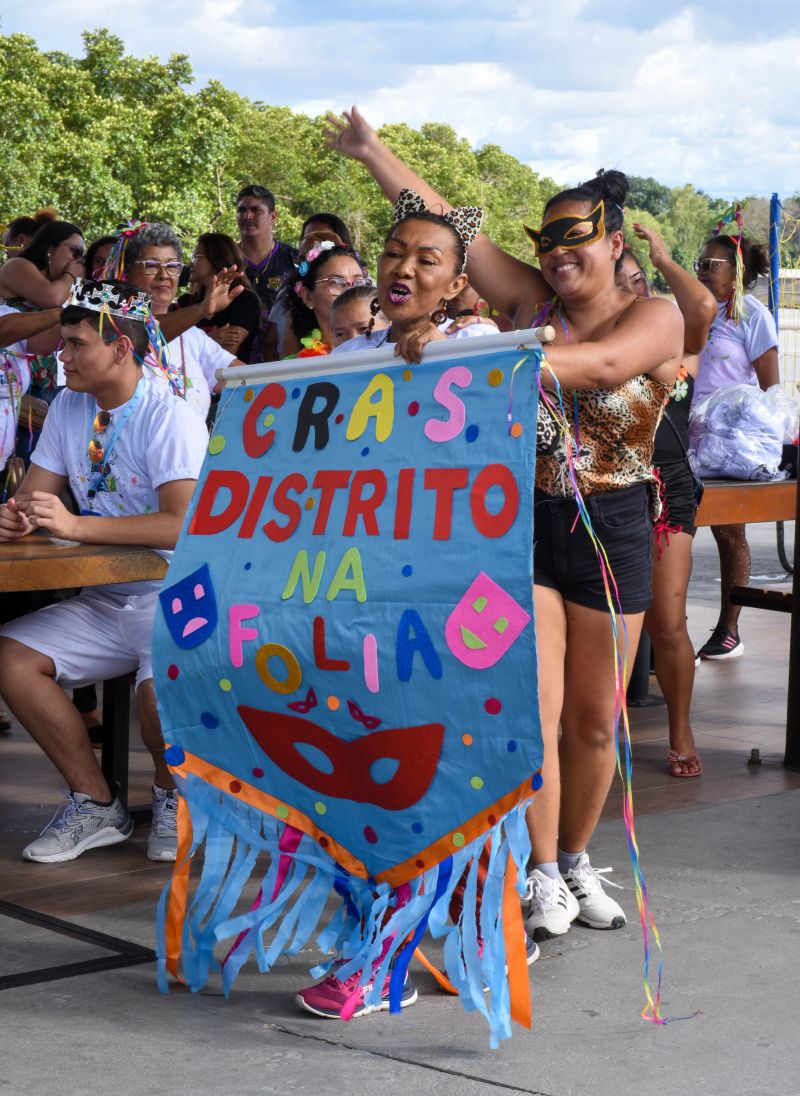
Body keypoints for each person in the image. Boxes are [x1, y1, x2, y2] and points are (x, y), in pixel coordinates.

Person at [324, 107, 683, 942]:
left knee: (595, 720)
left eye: (577, 239)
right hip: (521, 524)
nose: (559, 254)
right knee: (530, 705)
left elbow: (599, 366)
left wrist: (470, 352)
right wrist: (374, 151)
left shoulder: (654, 315)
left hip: (618, 524)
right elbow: (445, 230)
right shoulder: (528, 300)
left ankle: (574, 856)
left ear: (616, 243)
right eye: (548, 241)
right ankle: (539, 871)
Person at [295, 191, 520, 1021]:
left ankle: (380, 963)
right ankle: (415, 937)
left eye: (429, 258)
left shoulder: (483, 345)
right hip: (356, 606)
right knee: (360, 783)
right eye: (395, 251)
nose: (404, 267)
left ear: (460, 282)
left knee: (424, 780)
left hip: (447, 613)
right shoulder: (352, 353)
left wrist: (442, 356)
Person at [0, 278, 208, 863]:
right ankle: (95, 803)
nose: (60, 355)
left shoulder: (171, 417)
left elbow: (181, 523)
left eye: (74, 343)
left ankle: (173, 796)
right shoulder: (69, 404)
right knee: (11, 660)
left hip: (178, 599)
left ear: (119, 348)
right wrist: (17, 519)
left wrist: (73, 527)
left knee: (158, 700)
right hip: (105, 598)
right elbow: (37, 500)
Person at [615, 228, 716, 777]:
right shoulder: (597, 351)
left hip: (665, 490)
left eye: (642, 281)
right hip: (604, 487)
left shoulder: (677, 351)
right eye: (624, 284)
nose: (637, 292)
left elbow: (701, 303)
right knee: (602, 621)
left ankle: (680, 729)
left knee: (668, 622)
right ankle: (596, 733)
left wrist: (662, 258)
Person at [691, 232, 779, 661]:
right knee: (674, 533)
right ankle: (666, 631)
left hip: (728, 447)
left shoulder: (752, 316)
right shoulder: (693, 311)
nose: (703, 272)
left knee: (729, 534)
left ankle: (729, 628)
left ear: (737, 271)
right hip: (685, 444)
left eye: (712, 265)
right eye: (700, 265)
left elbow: (769, 389)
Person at [106, 221, 245, 421]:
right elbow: (142, 331)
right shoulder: (107, 324)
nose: (164, 275)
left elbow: (249, 378)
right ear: (128, 272)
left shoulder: (193, 336)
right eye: (152, 266)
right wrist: (201, 309)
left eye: (172, 266)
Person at [0, 220, 85, 405]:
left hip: (38, 385)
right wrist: (71, 274)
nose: (78, 260)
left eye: (82, 256)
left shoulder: (64, 285)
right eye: (75, 251)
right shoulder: (17, 265)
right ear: (50, 248)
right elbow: (52, 297)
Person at [235, 185, 298, 362]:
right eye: (242, 210)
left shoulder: (293, 260)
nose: (248, 216)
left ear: (273, 217)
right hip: (235, 359)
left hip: (281, 358)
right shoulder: (225, 260)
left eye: (256, 210)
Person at [280, 242, 371, 357]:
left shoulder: (387, 348)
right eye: (336, 282)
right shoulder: (295, 370)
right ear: (308, 297)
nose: (350, 291)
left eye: (358, 283)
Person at [180, 232, 260, 361]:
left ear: (216, 260)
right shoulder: (186, 302)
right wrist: (210, 338)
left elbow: (226, 355)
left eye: (196, 257)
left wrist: (192, 342)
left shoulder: (244, 299)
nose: (191, 263)